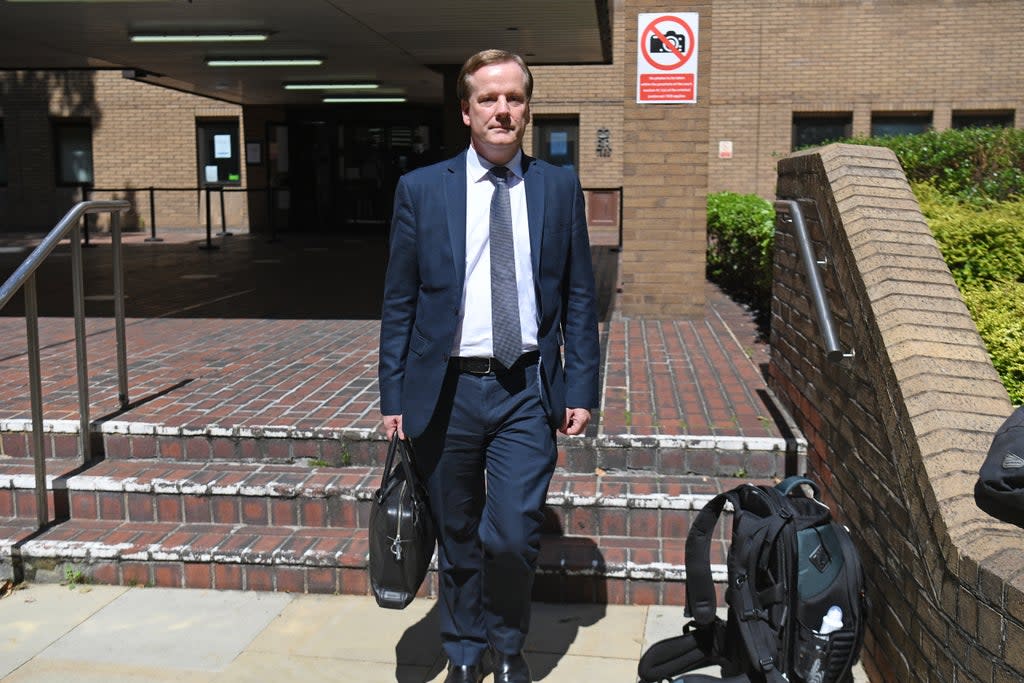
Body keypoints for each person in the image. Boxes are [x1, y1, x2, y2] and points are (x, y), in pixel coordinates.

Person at [378, 49, 600, 683]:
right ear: (466, 112)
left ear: (527, 108)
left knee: (510, 536)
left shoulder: (558, 187)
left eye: (514, 98)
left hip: (526, 388)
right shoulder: (422, 189)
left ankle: (509, 643)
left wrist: (580, 384)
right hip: (446, 391)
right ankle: (467, 653)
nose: (502, 110)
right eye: (488, 99)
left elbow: (580, 296)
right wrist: (393, 394)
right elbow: (399, 301)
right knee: (458, 535)